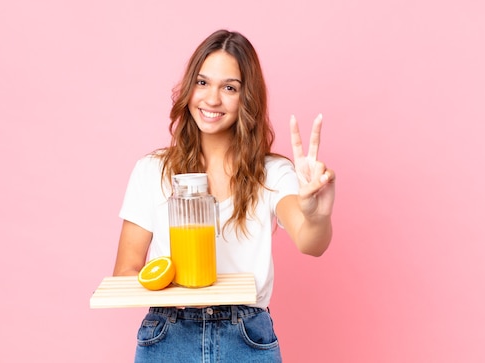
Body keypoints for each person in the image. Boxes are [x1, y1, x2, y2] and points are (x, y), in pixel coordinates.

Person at [113, 29, 336, 362]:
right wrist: (179, 285)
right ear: (189, 88)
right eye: (202, 83)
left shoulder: (272, 172)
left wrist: (317, 214)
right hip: (168, 333)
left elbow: (310, 243)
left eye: (229, 88)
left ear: (247, 99)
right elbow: (127, 272)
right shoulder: (151, 171)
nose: (212, 99)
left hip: (245, 336)